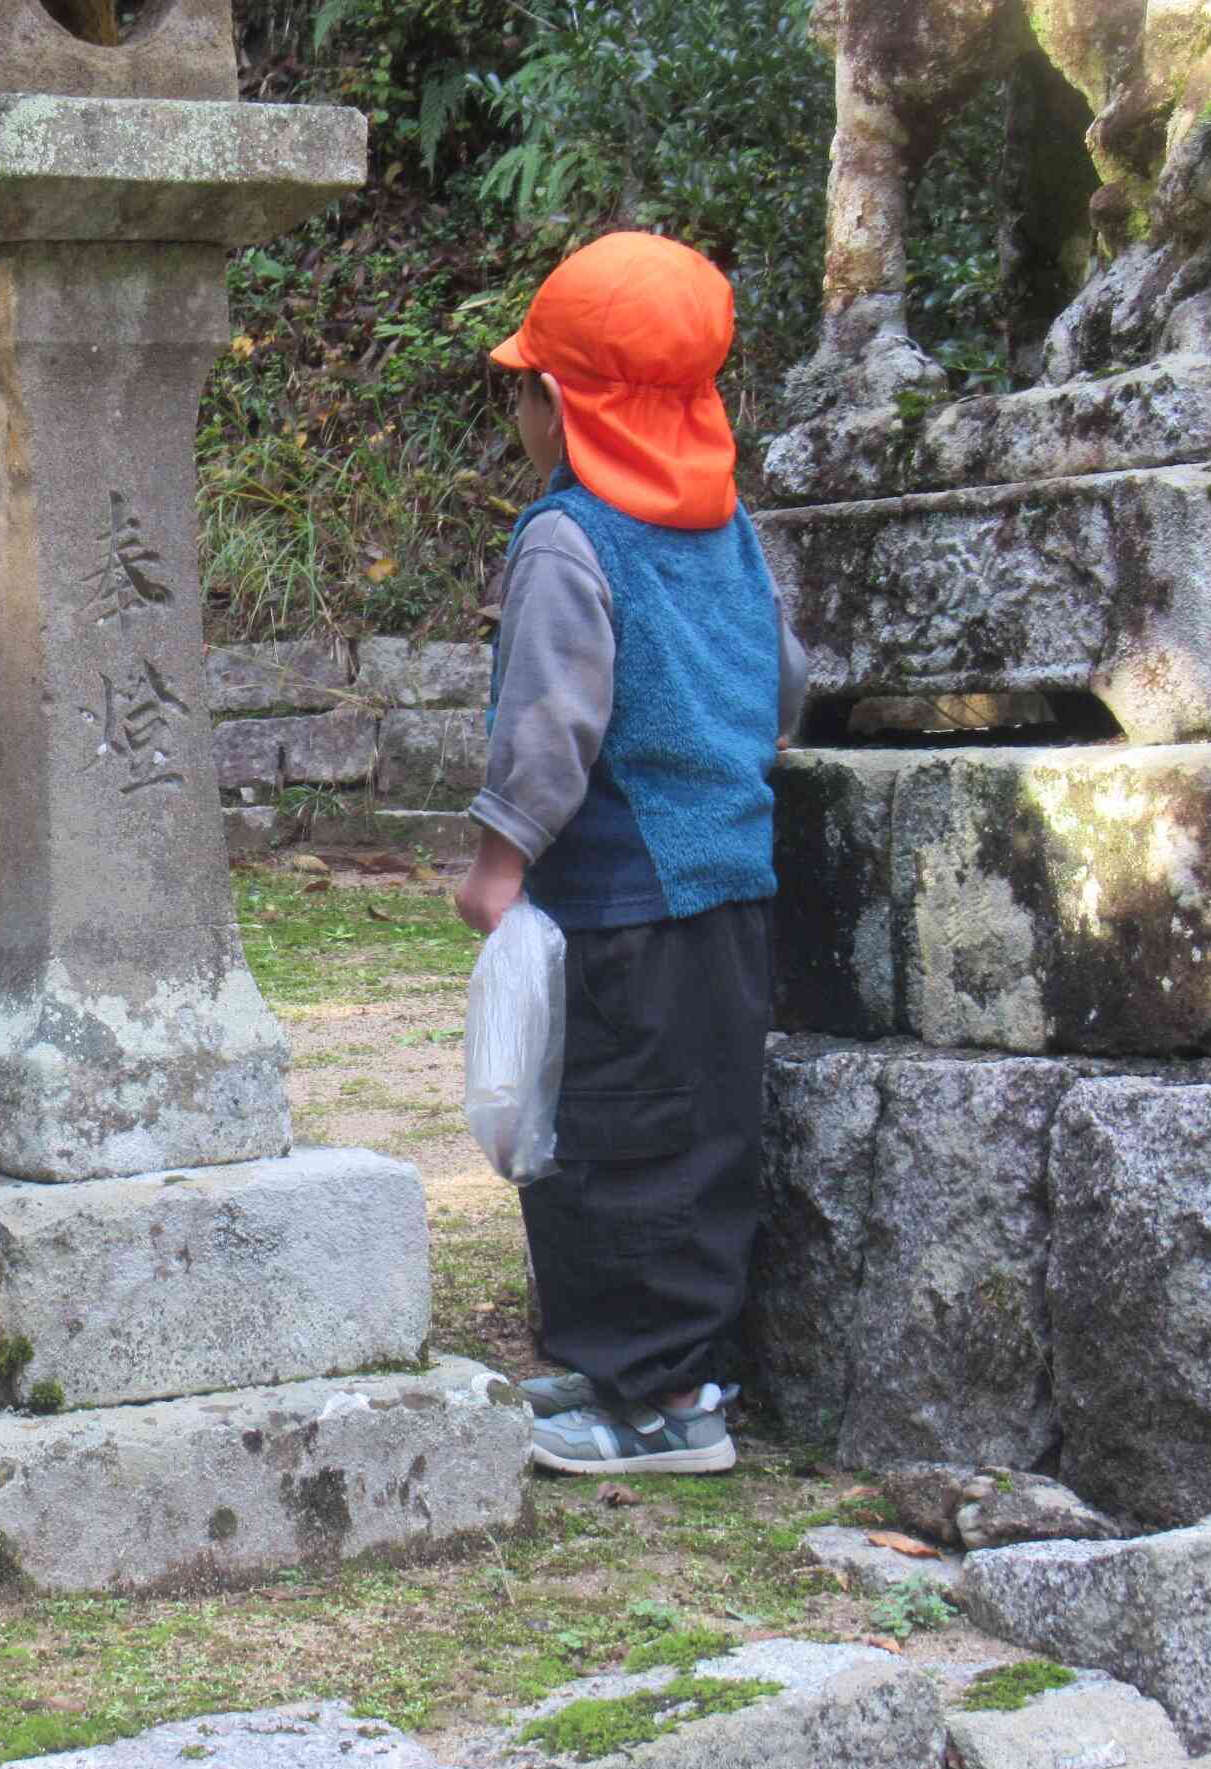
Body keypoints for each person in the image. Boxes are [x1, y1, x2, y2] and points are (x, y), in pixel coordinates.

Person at [455, 232, 808, 1476]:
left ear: (556, 401)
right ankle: (646, 1374)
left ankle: (662, 1408)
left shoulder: (565, 538)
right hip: (730, 881)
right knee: (695, 1129)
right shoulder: (728, 528)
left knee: (610, 1138)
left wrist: (500, 861)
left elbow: (550, 720)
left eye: (524, 388)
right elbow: (783, 682)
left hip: (619, 894)